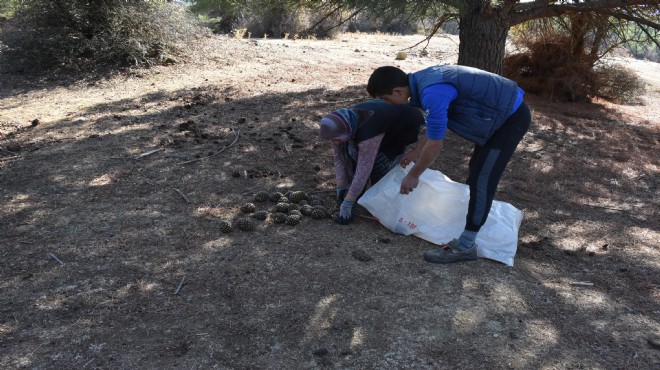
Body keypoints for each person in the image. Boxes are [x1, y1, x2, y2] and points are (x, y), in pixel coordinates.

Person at [367, 65, 532, 264]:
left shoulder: (432, 92)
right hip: (500, 112)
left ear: (398, 91)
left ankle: (466, 245)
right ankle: (474, 225)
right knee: (476, 172)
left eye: (386, 99)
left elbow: (436, 144)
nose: (389, 104)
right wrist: (416, 151)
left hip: (510, 119)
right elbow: (435, 122)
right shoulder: (422, 82)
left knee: (483, 178)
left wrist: (414, 174)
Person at [319, 99, 425, 225]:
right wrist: (340, 187)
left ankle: (374, 191)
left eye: (337, 139)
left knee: (379, 166)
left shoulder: (367, 137)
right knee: (351, 152)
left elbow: (365, 168)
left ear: (347, 131)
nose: (334, 142)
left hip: (404, 127)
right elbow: (339, 157)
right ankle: (357, 190)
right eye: (332, 139)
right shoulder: (340, 125)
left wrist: (347, 203)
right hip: (381, 124)